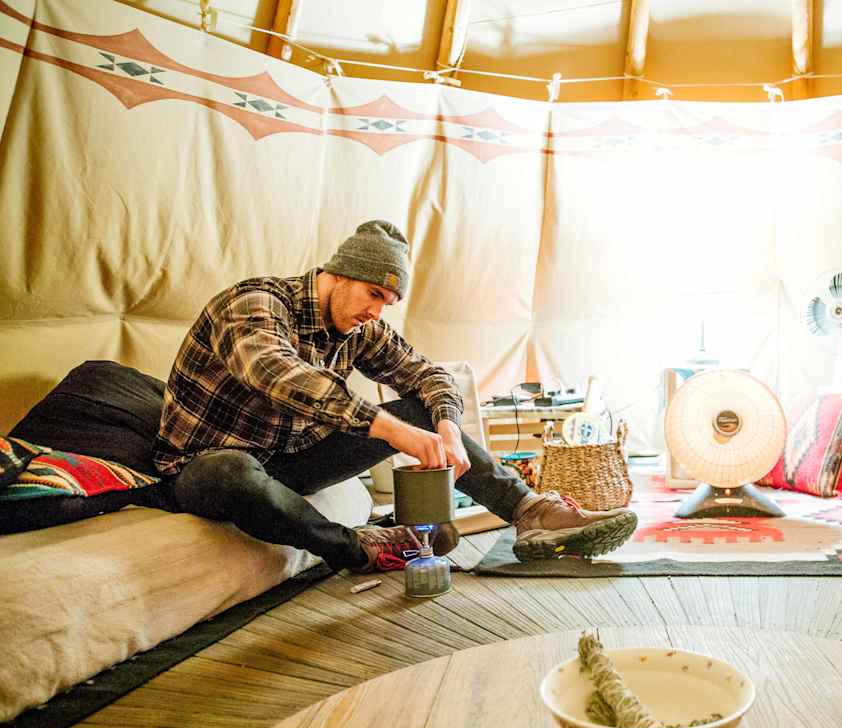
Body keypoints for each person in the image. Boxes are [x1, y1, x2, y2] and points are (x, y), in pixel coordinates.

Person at [154, 220, 637, 572]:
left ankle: (529, 511)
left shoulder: (359, 327)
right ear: (337, 274)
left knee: (418, 409)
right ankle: (361, 546)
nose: (376, 311)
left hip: (289, 462)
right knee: (233, 469)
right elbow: (275, 372)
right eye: (372, 294)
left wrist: (444, 423)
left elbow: (429, 376)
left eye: (387, 302)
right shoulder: (255, 303)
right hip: (205, 468)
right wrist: (387, 428)